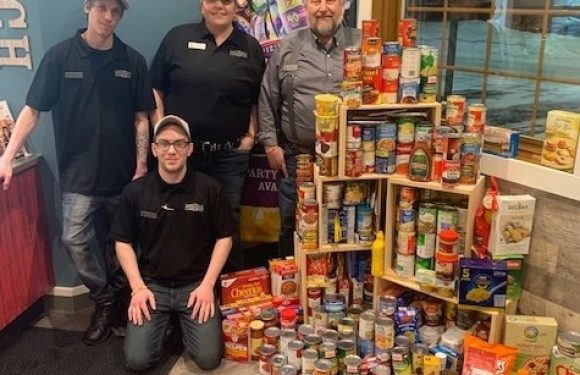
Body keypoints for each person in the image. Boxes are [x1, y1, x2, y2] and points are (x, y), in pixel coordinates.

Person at [0, 0, 155, 345]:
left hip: (123, 177)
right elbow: (33, 109)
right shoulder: (59, 57)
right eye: (102, 8)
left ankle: (126, 300)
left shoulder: (132, 61)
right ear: (88, 7)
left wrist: (142, 166)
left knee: (124, 244)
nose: (109, 17)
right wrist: (8, 156)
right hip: (78, 179)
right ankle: (104, 299)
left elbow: (141, 118)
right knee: (74, 240)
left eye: (116, 12)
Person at [110, 115, 235, 372]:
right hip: (152, 288)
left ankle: (179, 323)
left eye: (179, 143)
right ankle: (166, 323)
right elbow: (122, 242)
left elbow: (225, 237)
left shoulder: (210, 189)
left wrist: (208, 285)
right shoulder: (135, 192)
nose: (171, 150)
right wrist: (137, 289)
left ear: (190, 149)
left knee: (209, 359)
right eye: (164, 143)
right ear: (154, 149)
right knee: (137, 361)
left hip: (196, 288)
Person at [149, 0, 266, 271]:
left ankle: (228, 296)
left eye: (227, 1)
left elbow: (257, 99)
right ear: (202, 4)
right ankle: (184, 291)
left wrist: (251, 135)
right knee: (179, 221)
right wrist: (162, 133)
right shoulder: (177, 38)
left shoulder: (250, 48)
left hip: (229, 156)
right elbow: (155, 88)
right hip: (180, 155)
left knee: (226, 223)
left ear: (236, 6)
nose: (220, 6)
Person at [258, 0, 360, 256]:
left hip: (350, 160)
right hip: (298, 158)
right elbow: (267, 96)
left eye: (331, 1)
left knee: (348, 226)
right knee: (291, 225)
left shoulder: (362, 43)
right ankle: (290, 284)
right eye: (315, 1)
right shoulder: (288, 47)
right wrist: (270, 144)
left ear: (343, 5)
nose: (323, 8)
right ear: (305, 6)